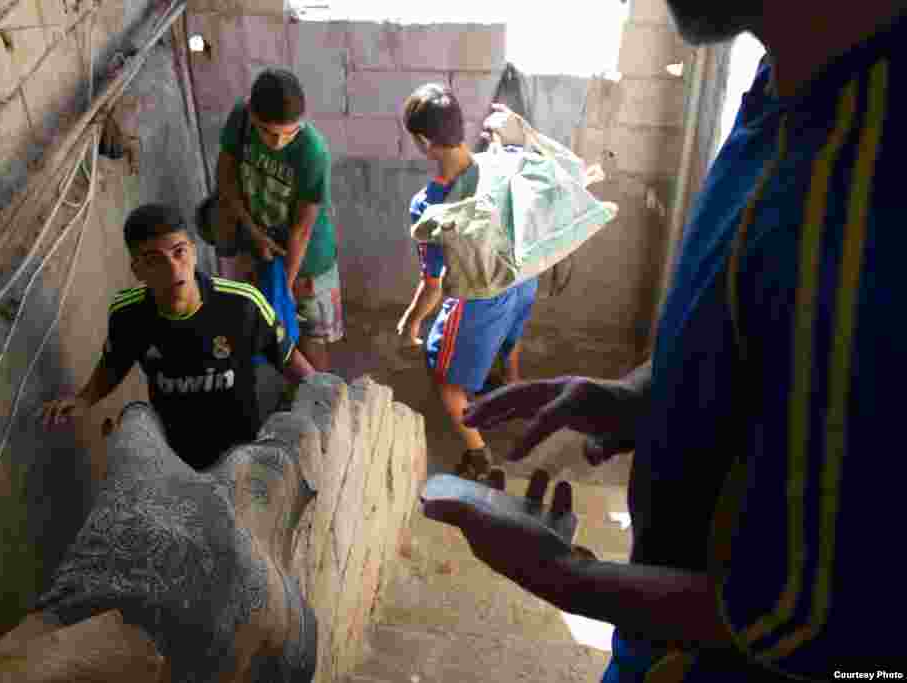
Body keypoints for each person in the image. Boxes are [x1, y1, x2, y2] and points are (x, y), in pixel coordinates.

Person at [423, 0, 907, 679]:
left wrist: (568, 577)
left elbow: (817, 617)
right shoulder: (789, 84)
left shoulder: (873, 181)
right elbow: (764, 328)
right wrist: (640, 393)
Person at [41, 203, 315, 471]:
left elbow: (289, 359)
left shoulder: (242, 304)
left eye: (179, 252)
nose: (172, 268)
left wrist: (325, 400)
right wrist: (84, 399)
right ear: (137, 270)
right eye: (154, 260)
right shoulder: (128, 314)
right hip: (172, 459)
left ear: (194, 253)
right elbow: (114, 364)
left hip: (240, 458)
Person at [398, 84, 540, 480]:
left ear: (425, 142)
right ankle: (512, 388)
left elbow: (434, 284)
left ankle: (479, 456)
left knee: (445, 377)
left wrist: (411, 322)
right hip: (524, 277)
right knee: (509, 338)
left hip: (482, 297)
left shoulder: (431, 205)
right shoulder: (502, 164)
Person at [210, 67, 343, 373]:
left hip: (308, 259)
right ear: (252, 115)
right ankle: (294, 391)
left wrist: (284, 288)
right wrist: (252, 230)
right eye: (268, 132)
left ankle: (317, 398)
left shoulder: (312, 151)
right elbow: (226, 177)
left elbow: (302, 230)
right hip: (260, 246)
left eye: (289, 133)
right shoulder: (241, 119)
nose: (277, 142)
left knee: (309, 338)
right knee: (270, 332)